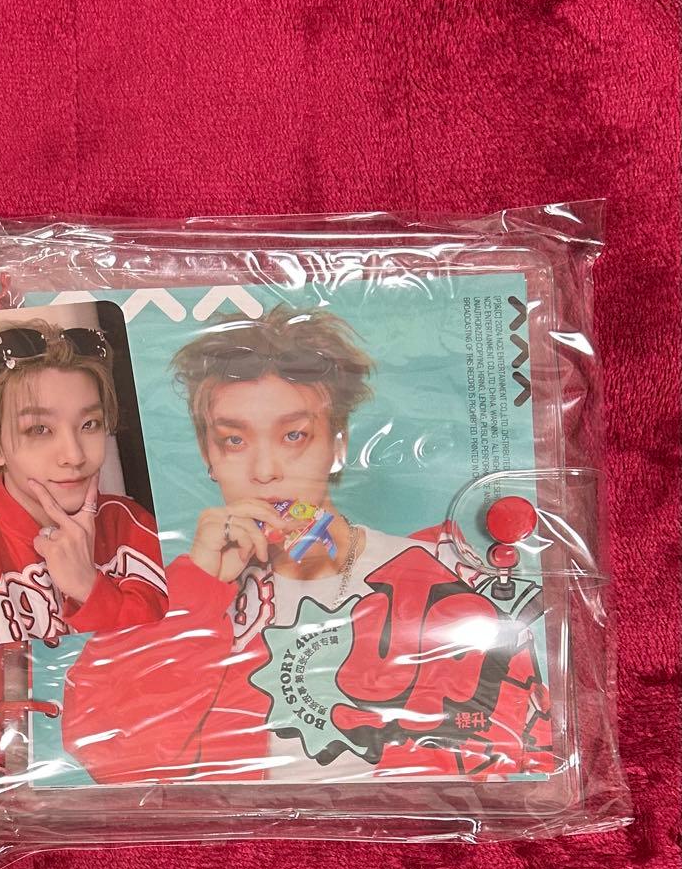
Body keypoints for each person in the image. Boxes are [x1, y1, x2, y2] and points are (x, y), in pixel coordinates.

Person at [61, 306, 551, 783]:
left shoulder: (435, 572)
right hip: (249, 831)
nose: (265, 471)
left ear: (337, 444)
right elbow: (111, 757)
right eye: (234, 441)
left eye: (294, 435)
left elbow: (515, 747)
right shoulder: (185, 597)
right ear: (208, 455)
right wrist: (197, 586)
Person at [0, 318, 167, 646]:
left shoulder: (133, 529)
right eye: (39, 429)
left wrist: (90, 589)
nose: (74, 456)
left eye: (89, 424)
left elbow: (179, 659)